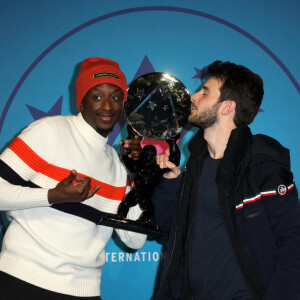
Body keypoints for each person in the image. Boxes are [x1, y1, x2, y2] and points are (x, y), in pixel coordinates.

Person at [0, 57, 147, 300]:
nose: (107, 107)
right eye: (97, 96)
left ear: (124, 105)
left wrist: (137, 174)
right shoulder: (49, 131)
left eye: (115, 97)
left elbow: (135, 239)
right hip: (22, 281)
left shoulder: (118, 166)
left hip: (83, 291)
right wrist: (52, 196)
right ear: (81, 101)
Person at [152, 61, 300, 300]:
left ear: (227, 106)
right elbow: (166, 228)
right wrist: (170, 181)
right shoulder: (195, 163)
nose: (194, 96)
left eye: (205, 92)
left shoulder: (262, 164)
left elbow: (293, 242)